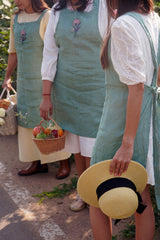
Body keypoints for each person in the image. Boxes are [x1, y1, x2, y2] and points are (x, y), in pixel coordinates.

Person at [90, 0, 160, 239]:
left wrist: (127, 143)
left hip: (120, 121)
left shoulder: (123, 25)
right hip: (147, 118)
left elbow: (137, 87)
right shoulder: (154, 19)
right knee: (140, 191)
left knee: (97, 191)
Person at [39, 0, 109, 211]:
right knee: (77, 147)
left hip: (97, 90)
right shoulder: (57, 12)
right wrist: (46, 95)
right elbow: (50, 53)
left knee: (93, 148)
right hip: (67, 91)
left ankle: (96, 194)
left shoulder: (103, 7)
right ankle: (83, 192)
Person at [2, 0, 71, 179]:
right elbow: (13, 51)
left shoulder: (46, 17)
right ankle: (36, 162)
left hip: (45, 80)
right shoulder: (16, 18)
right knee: (27, 121)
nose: (16, 1)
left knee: (52, 119)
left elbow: (55, 51)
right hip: (24, 81)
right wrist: (8, 76)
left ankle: (63, 160)